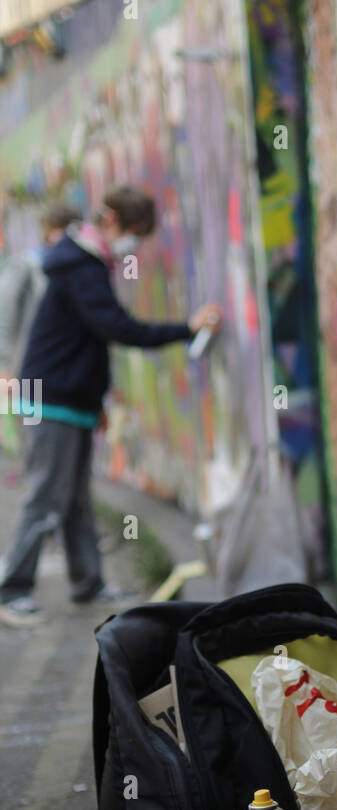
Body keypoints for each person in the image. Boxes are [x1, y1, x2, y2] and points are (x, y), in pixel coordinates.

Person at [0, 185, 222, 628]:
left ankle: (88, 582)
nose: (133, 247)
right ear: (114, 221)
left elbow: (87, 340)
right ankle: (12, 590)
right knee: (44, 494)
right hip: (49, 398)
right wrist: (187, 327)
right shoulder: (80, 265)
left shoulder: (83, 261)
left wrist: (95, 398)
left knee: (77, 498)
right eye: (135, 235)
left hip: (70, 398)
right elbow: (116, 328)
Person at [0, 202, 81, 380]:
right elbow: (4, 311)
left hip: (64, 367)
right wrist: (4, 364)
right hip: (29, 366)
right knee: (31, 407)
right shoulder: (27, 265)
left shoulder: (77, 269)